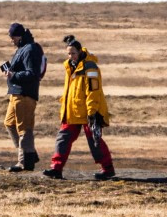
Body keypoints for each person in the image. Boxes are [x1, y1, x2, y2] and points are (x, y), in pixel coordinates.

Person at [44, 35, 115, 180]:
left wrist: (92, 112)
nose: (71, 56)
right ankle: (56, 168)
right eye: (69, 54)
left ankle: (108, 169)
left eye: (73, 53)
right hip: (73, 111)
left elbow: (93, 92)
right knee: (62, 139)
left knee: (95, 140)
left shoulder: (90, 67)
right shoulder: (70, 66)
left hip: (90, 112)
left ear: (80, 51)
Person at [2, 22, 46, 172]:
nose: (11, 40)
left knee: (24, 129)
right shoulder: (23, 49)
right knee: (9, 123)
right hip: (16, 93)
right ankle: (30, 154)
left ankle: (24, 162)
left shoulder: (30, 49)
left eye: (12, 37)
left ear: (19, 36)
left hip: (25, 94)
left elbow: (32, 73)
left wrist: (13, 75)